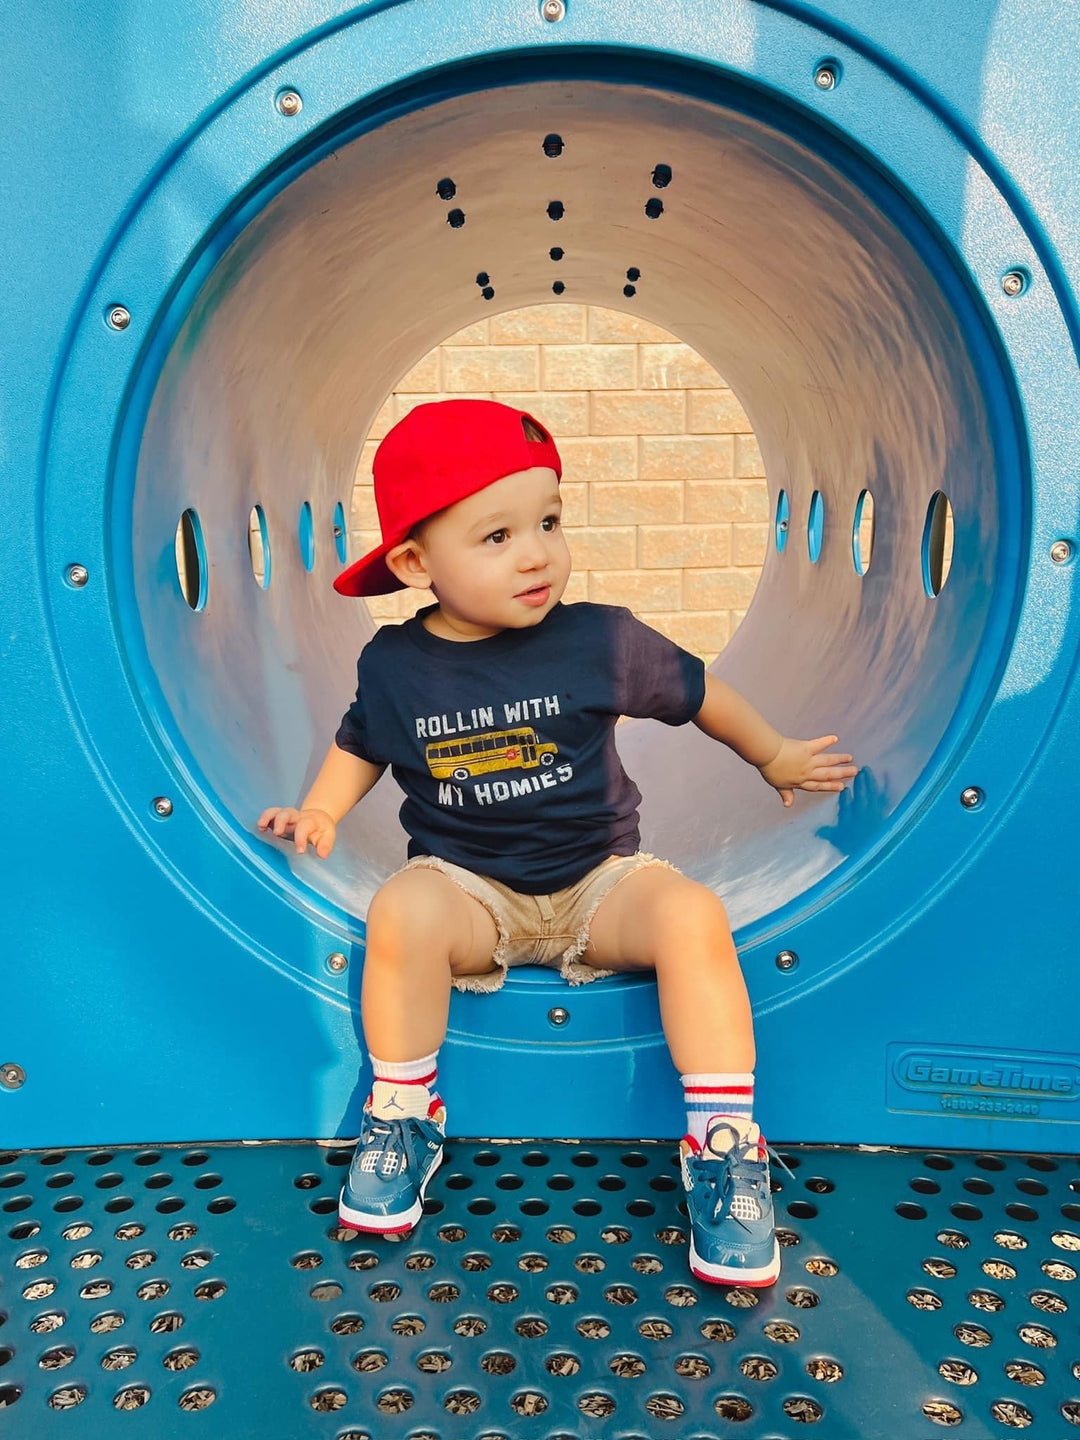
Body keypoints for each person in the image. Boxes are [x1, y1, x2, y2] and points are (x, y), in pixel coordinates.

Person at [257, 398, 856, 1287]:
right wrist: (322, 813)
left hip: (597, 883)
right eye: (495, 536)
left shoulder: (598, 640)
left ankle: (725, 1143)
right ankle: (402, 1112)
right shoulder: (394, 664)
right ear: (417, 561)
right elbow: (362, 742)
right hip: (470, 891)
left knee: (692, 914)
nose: (538, 552)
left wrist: (773, 753)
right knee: (400, 909)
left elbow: (701, 694)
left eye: (548, 521)